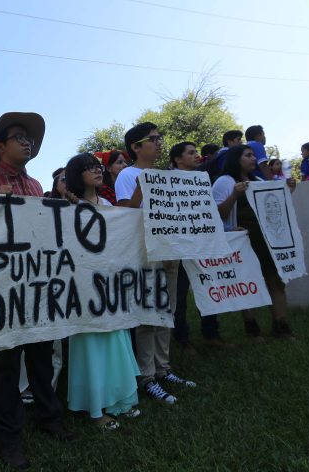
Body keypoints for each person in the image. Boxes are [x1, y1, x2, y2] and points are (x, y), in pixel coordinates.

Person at [0, 112, 74, 470]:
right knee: (8, 367)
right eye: (18, 137)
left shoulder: (35, 188)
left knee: (42, 358)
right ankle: (9, 437)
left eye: (29, 138)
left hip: (37, 288)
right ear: (0, 146)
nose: (27, 142)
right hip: (2, 292)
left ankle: (49, 418)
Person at [114, 122, 196, 405]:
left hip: (169, 251)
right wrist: (139, 190)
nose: (160, 143)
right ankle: (146, 376)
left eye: (160, 138)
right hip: (145, 254)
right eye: (153, 139)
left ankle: (164, 368)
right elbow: (124, 216)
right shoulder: (128, 175)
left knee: (167, 312)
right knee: (149, 315)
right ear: (136, 147)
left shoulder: (165, 175)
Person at [63, 153, 140, 430]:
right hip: (84, 288)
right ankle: (95, 410)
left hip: (111, 285)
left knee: (116, 339)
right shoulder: (66, 208)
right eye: (88, 168)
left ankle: (120, 398)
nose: (97, 170)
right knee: (92, 344)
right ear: (76, 174)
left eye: (97, 166)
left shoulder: (107, 204)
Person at [211, 145, 296, 341]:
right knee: (247, 281)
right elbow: (216, 214)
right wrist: (234, 195)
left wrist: (288, 191)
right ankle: (252, 327)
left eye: (253, 155)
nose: (253, 159)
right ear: (235, 158)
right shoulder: (225, 182)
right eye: (248, 155)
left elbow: (275, 208)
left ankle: (281, 325)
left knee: (275, 280)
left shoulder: (258, 181)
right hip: (242, 238)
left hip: (266, 239)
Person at [168, 142, 231, 352]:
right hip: (179, 247)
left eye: (197, 152)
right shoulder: (166, 182)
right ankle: (182, 338)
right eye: (191, 153)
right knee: (180, 296)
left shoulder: (203, 181)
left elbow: (209, 213)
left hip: (203, 245)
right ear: (178, 159)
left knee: (209, 288)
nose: (197, 156)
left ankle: (211, 333)